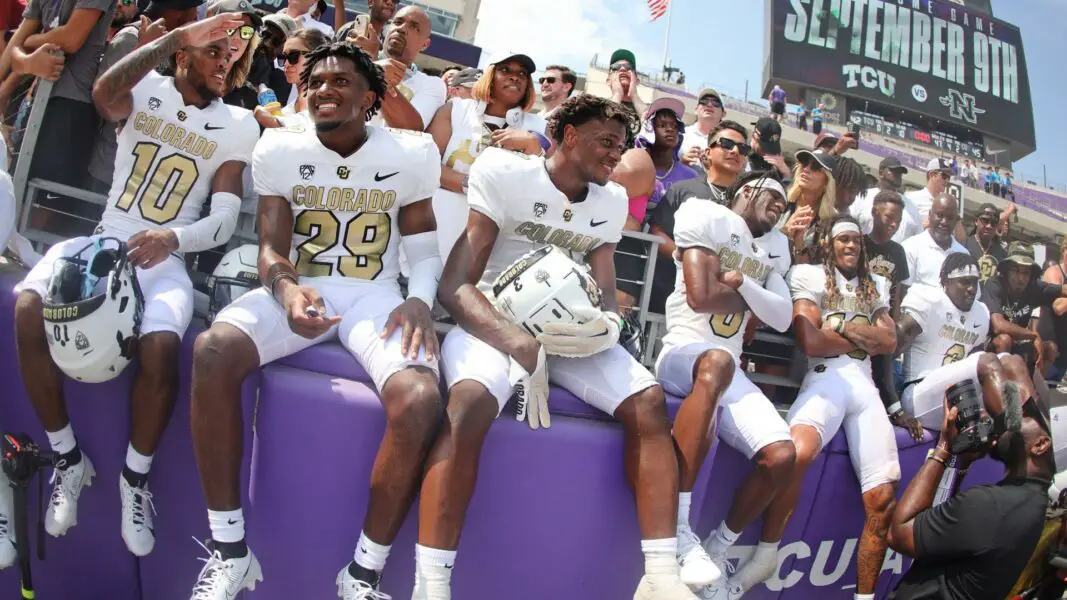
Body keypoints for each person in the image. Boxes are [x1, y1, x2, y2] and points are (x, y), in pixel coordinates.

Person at [185, 42, 444, 600]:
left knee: (420, 400)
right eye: (316, 82)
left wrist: (420, 298)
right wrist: (285, 287)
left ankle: (363, 574)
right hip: (305, 285)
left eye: (340, 82)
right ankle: (229, 550)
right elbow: (271, 248)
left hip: (375, 292)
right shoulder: (280, 147)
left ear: (371, 97)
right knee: (211, 351)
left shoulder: (411, 151)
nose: (323, 89)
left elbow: (423, 252)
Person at [419, 95, 697, 600]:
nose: (616, 155)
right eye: (606, 142)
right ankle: (431, 584)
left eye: (621, 145)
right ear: (569, 135)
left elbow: (606, 290)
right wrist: (515, 340)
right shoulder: (506, 172)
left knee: (649, 402)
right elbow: (455, 284)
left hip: (568, 335)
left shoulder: (611, 200)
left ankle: (659, 575)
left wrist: (607, 326)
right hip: (495, 321)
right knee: (471, 403)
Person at [11, 12, 257, 557]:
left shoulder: (239, 124)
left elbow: (221, 218)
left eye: (231, 55)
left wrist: (173, 237)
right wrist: (176, 35)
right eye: (214, 51)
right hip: (106, 234)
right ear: (184, 55)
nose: (226, 62)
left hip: (165, 254)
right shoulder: (145, 89)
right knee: (28, 305)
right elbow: (103, 92)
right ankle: (67, 458)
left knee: (162, 346)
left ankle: (134, 479)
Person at [654, 170, 794, 595]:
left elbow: (784, 318)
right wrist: (758, 298)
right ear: (748, 190)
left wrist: (744, 283)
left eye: (785, 204)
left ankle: (718, 547)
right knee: (716, 361)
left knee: (782, 455)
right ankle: (676, 528)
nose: (780, 205)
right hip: (683, 353)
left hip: (728, 366)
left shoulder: (777, 248)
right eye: (773, 194)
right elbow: (702, 295)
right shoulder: (705, 213)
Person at [757, 215, 899, 600]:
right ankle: (765, 554)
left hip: (864, 386)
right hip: (825, 378)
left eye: (856, 240)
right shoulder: (809, 274)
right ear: (830, 245)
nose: (851, 246)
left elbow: (890, 340)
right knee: (797, 454)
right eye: (843, 240)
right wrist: (856, 334)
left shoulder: (876, 284)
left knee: (883, 499)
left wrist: (845, 330)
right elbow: (810, 341)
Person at [888, 354, 1054, 600]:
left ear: (1041, 444)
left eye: (1022, 416)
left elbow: (899, 533)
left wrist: (944, 446)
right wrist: (963, 466)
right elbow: (1012, 364)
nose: (1010, 418)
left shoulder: (993, 506)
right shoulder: (1031, 502)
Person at [884, 254, 1023, 437]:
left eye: (974, 282)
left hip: (958, 393)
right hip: (919, 394)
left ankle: (1028, 422)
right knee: (988, 360)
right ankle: (1014, 433)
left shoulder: (980, 313)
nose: (971, 289)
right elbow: (886, 354)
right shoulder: (930, 302)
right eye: (964, 282)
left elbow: (976, 370)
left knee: (1011, 361)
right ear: (946, 282)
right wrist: (895, 408)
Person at [427, 51, 545, 260]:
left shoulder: (537, 126)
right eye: (505, 70)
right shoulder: (455, 109)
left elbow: (550, 177)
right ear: (489, 75)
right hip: (439, 228)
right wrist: (474, 184)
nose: (515, 77)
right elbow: (427, 166)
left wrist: (536, 145)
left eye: (523, 73)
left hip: (496, 241)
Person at [984, 242, 1067, 371]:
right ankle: (1000, 388)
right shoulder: (994, 284)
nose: (1021, 278)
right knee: (1004, 340)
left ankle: (1034, 387)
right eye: (1016, 271)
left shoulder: (1034, 287)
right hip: (988, 346)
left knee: (1050, 348)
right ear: (1006, 270)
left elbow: (1062, 290)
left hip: (1019, 343)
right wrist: (1033, 335)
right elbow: (998, 325)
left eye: (1026, 273)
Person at [370, 5, 445, 131]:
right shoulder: (357, 61)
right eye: (398, 22)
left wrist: (375, 74)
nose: (401, 29)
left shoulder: (432, 84)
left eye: (413, 27)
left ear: (425, 44)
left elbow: (410, 129)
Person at [900, 193, 968, 289]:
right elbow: (903, 293)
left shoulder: (964, 255)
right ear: (929, 215)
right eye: (940, 215)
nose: (944, 222)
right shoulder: (910, 247)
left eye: (950, 218)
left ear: (956, 220)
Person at [1039, 239, 1067, 382]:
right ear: (1064, 251)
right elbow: (1058, 307)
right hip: (1049, 349)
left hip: (1064, 351)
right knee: (1039, 390)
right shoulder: (1055, 272)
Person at [964, 203, 1007, 287]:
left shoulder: (1002, 254)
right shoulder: (964, 246)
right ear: (976, 221)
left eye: (993, 223)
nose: (989, 226)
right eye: (985, 221)